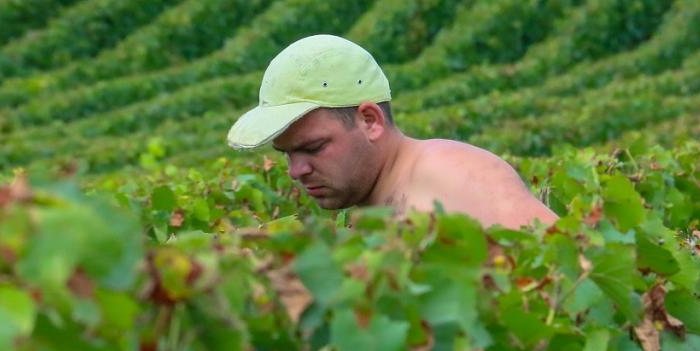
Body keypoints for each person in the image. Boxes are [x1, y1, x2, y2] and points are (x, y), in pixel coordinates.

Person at [227, 35, 559, 230]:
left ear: (369, 120)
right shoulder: (366, 213)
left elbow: (565, 266)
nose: (296, 171)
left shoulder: (455, 175)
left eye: (313, 148)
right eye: (287, 154)